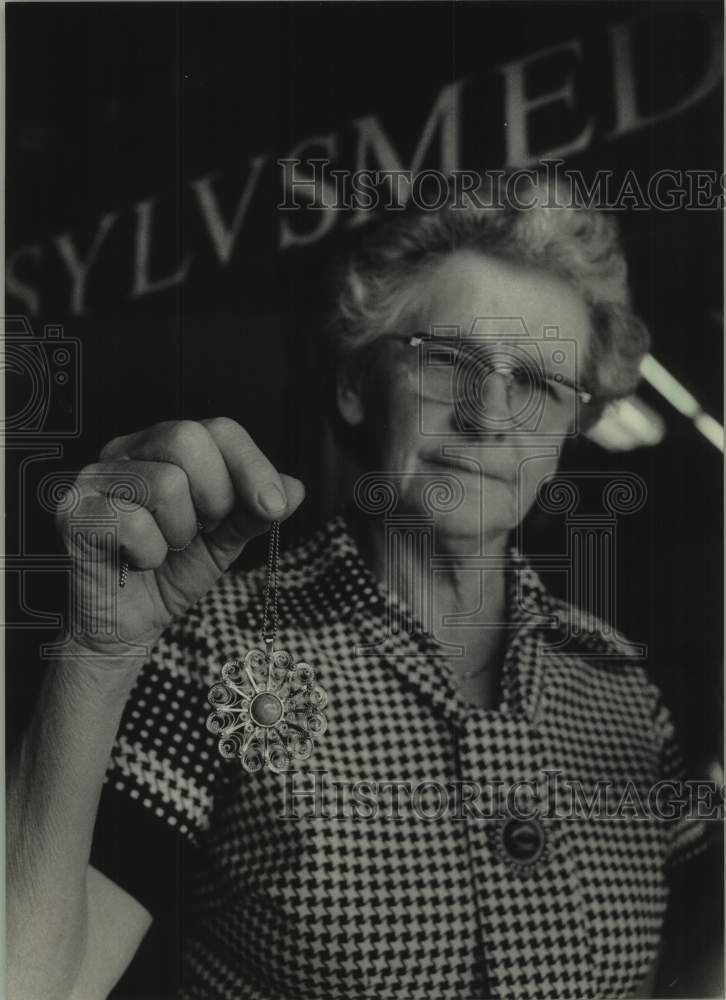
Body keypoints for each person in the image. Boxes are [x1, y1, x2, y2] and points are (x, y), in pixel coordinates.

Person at [7, 173, 709, 1000]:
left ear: (569, 431)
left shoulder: (620, 680)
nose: (488, 414)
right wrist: (98, 653)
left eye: (534, 384)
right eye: (447, 359)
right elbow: (31, 981)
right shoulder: (220, 649)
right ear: (354, 384)